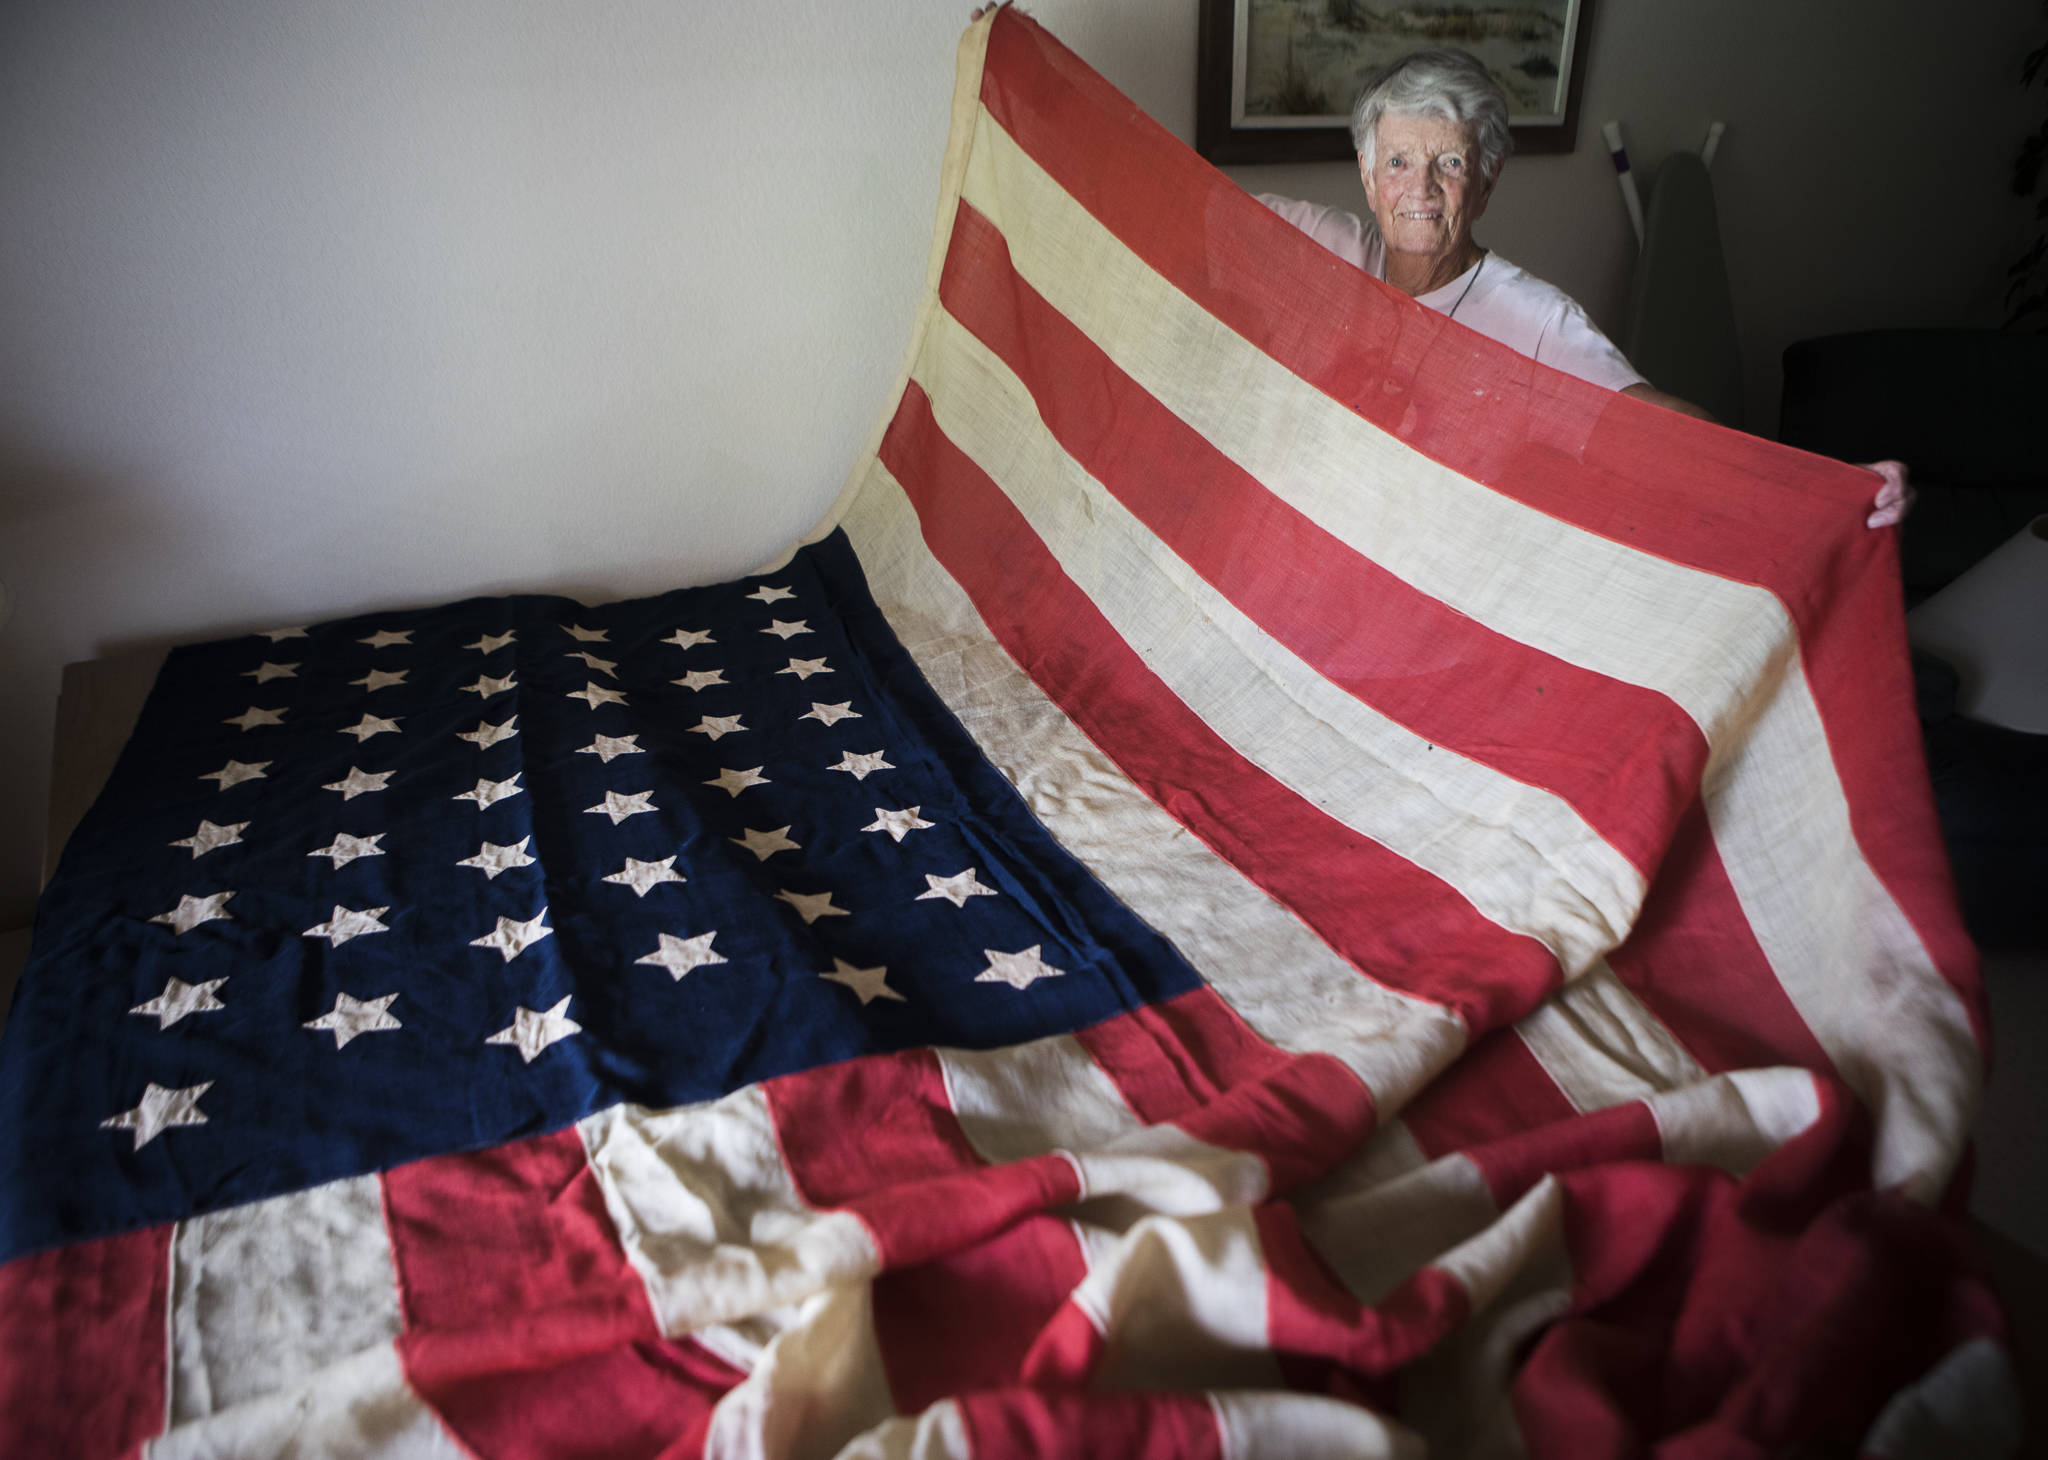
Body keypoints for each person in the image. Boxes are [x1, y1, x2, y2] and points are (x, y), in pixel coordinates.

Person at [1258, 48, 1909, 529]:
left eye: (1449, 163)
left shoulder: (1536, 318)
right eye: (1398, 162)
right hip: (1308, 551)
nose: (1420, 189)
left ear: (1485, 184)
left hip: (1436, 590)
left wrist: (1820, 487)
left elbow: (1656, 426)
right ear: (1369, 178)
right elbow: (1180, 207)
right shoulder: (1320, 243)